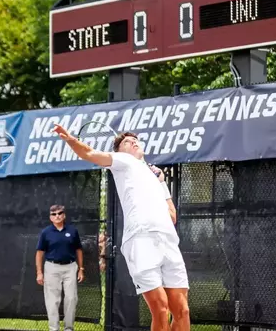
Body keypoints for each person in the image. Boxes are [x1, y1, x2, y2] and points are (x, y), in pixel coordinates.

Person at [52, 125, 189, 331]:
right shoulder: (124, 162)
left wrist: (161, 182)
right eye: (127, 141)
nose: (133, 141)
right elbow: (88, 153)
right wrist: (71, 140)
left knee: (182, 311)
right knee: (161, 309)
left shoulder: (154, 176)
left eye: (135, 140)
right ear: (119, 151)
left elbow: (172, 216)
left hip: (168, 242)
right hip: (140, 241)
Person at [35, 204, 85, 331]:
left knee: (71, 298)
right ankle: (54, 328)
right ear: (50, 217)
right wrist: (39, 273)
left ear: (64, 215)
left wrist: (81, 269)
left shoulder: (72, 231)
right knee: (52, 300)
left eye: (59, 213)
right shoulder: (46, 232)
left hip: (70, 267)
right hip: (51, 268)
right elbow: (39, 253)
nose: (57, 216)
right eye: (54, 214)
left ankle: (69, 328)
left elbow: (78, 250)